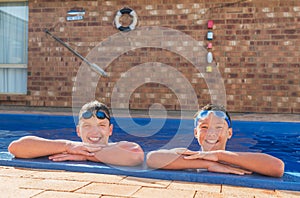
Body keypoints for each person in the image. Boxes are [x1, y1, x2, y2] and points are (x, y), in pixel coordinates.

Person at [146, 104, 284, 177]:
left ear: (229, 133)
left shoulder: (237, 161)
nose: (211, 133)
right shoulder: (189, 157)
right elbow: (153, 158)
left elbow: (277, 167)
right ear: (195, 133)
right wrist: (208, 164)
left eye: (218, 127)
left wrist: (218, 156)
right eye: (204, 127)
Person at [8, 100, 144, 166]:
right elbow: (15, 147)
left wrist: (86, 156)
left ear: (110, 130)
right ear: (78, 130)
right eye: (87, 125)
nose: (94, 131)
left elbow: (136, 155)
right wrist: (68, 146)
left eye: (101, 125)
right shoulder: (68, 148)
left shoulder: (117, 147)